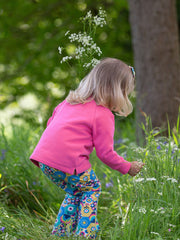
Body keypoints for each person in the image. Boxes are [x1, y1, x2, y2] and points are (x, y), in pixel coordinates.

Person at [30, 57, 145, 239]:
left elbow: (51, 124)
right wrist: (128, 167)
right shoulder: (103, 114)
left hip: (44, 159)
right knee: (92, 188)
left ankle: (61, 232)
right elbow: (105, 153)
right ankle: (86, 233)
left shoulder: (68, 103)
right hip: (67, 161)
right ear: (117, 91)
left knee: (76, 191)